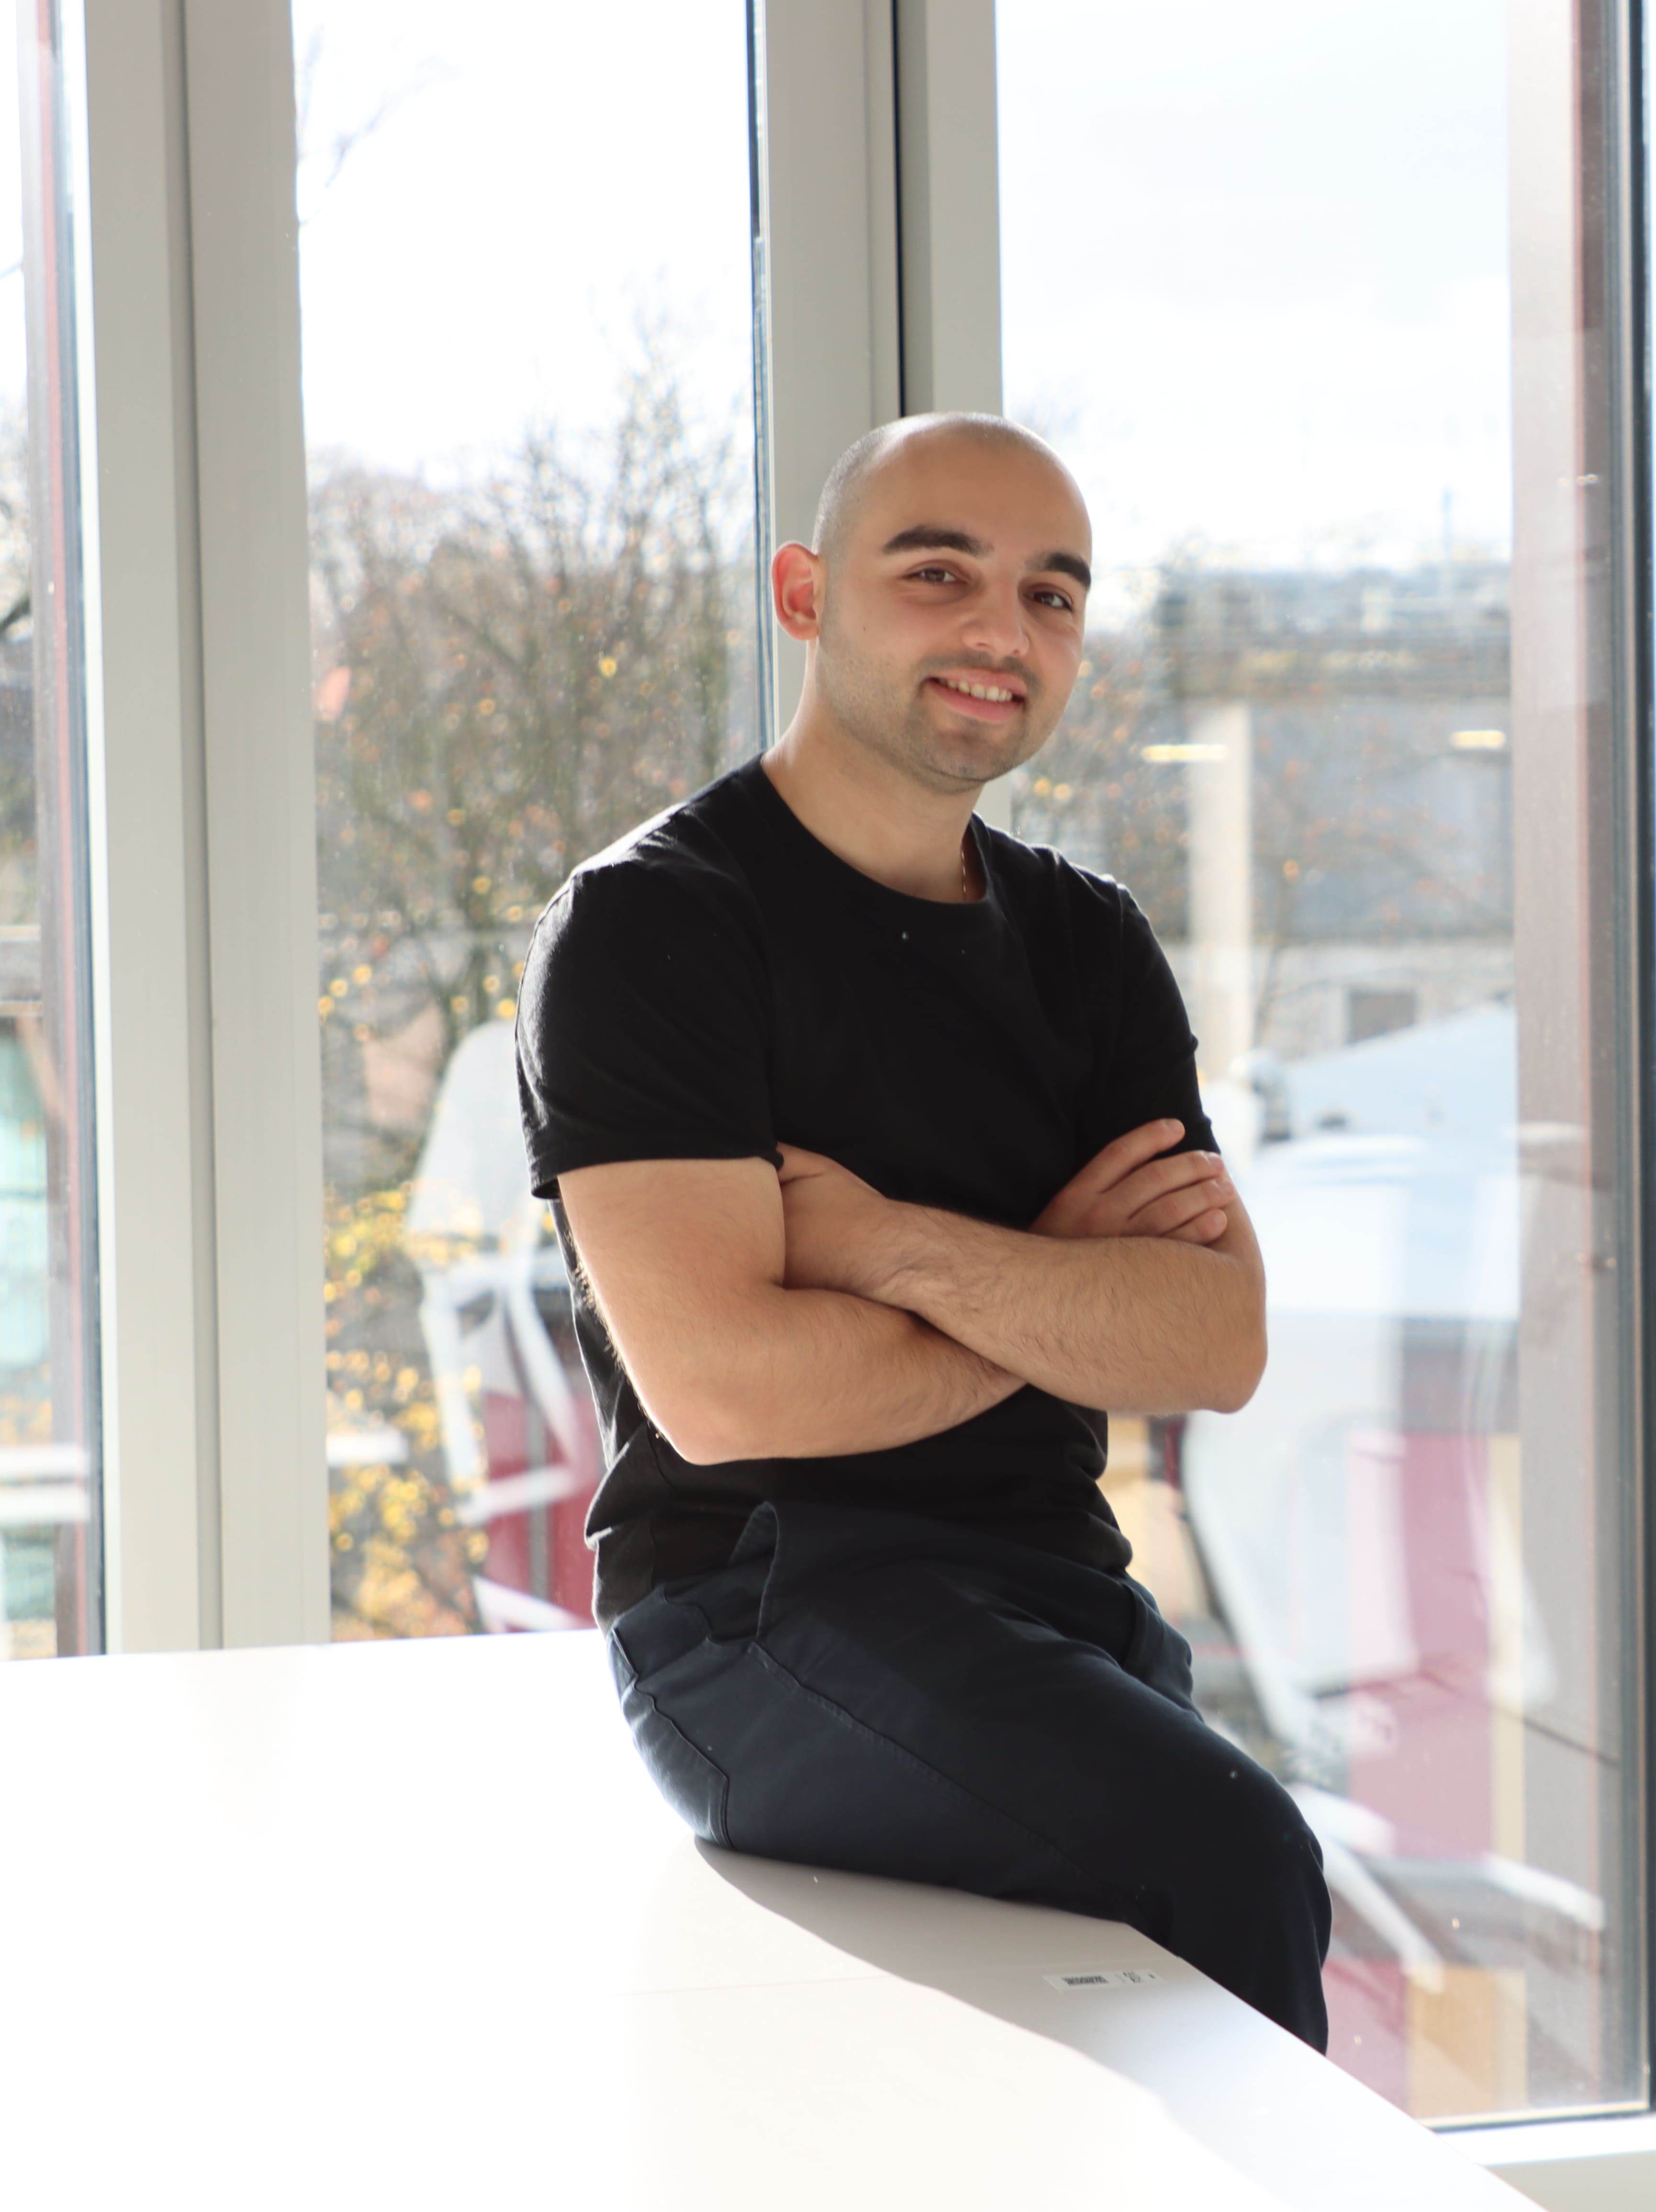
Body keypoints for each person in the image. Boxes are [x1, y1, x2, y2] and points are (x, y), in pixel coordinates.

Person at [516, 412, 1332, 2045]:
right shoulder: (654, 923)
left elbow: (1215, 1344)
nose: (1001, 631)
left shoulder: (1090, 943)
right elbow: (728, 1394)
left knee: (1160, 2009)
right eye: (939, 574)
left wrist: (891, 1246)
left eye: (1051, 595)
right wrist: (1061, 1282)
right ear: (803, 594)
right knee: (1234, 1856)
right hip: (757, 1609)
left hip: (1060, 1595)